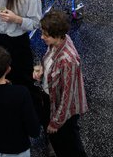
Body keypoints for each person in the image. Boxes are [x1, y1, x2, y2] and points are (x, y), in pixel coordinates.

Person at [35, 10, 88, 157]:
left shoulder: (67, 60)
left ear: (57, 35)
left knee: (70, 145)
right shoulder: (58, 43)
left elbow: (67, 96)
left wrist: (56, 123)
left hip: (63, 111)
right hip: (51, 98)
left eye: (45, 34)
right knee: (61, 141)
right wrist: (41, 70)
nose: (41, 37)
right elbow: (49, 61)